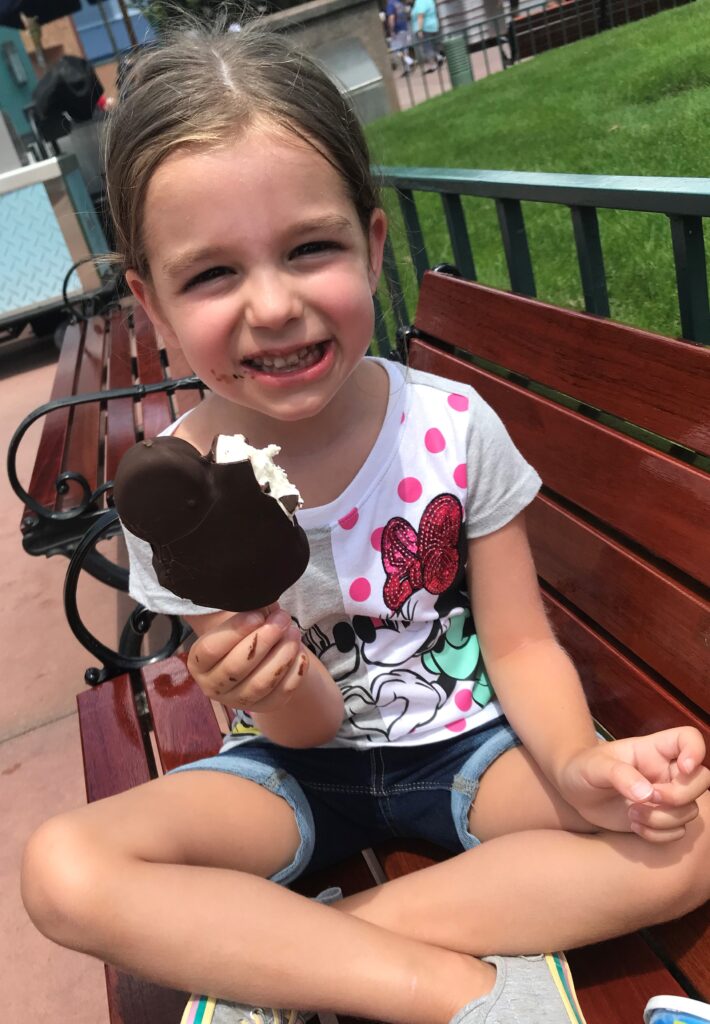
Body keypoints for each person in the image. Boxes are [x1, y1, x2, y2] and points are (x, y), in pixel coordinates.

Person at [21, 18, 710, 1024]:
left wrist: (577, 762)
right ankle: (470, 990)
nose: (273, 304)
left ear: (371, 243)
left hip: (469, 751)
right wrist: (269, 670)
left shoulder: (450, 427)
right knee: (62, 867)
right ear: (152, 304)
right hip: (289, 770)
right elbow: (308, 724)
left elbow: (516, 641)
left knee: (691, 834)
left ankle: (299, 958)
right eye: (211, 273)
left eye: (309, 248)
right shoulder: (178, 492)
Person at [410, 0, 445, 72]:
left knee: (426, 47)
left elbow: (420, 15)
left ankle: (432, 64)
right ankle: (438, 58)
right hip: (433, 25)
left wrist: (420, 29)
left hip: (425, 27)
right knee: (432, 45)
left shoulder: (420, 1)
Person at [386, 0, 415, 75]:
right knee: (404, 49)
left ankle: (409, 61)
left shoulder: (390, 4)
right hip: (405, 28)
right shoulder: (399, 3)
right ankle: (407, 69)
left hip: (397, 29)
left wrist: (391, 30)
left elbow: (391, 17)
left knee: (395, 49)